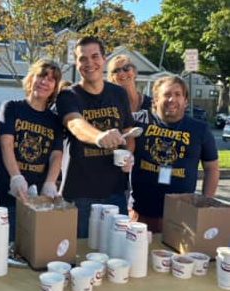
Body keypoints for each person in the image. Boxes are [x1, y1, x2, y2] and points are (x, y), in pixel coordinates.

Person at [55, 36, 135, 238]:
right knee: (81, 258)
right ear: (76, 63)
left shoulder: (119, 94)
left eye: (95, 56)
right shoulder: (68, 95)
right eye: (83, 58)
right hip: (80, 194)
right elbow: (75, 123)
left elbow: (128, 133)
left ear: (104, 59)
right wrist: (99, 137)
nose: (89, 63)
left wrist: (129, 155)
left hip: (116, 192)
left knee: (117, 255)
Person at [131, 76, 219, 232]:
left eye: (178, 94)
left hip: (181, 215)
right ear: (156, 99)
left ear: (185, 101)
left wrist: (205, 202)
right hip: (141, 213)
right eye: (167, 94)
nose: (172, 99)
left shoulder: (200, 130)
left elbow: (212, 168)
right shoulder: (139, 122)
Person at [0, 59, 64, 241]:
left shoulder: (55, 120)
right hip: (5, 195)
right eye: (41, 75)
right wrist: (16, 177)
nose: (45, 82)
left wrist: (50, 183)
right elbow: (6, 143)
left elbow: (56, 155)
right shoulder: (11, 107)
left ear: (54, 87)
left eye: (51, 79)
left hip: (35, 201)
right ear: (31, 78)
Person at [107, 54, 152, 123]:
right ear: (112, 78)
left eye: (126, 68)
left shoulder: (151, 104)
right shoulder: (109, 106)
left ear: (134, 72)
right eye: (116, 70)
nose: (121, 73)